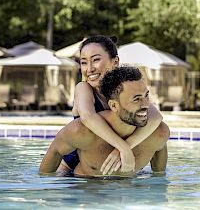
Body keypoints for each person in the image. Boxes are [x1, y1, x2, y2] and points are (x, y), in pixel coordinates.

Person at [40, 65, 169, 177]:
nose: (146, 105)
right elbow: (52, 158)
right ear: (113, 106)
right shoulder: (81, 132)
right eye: (136, 99)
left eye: (146, 96)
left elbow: (159, 178)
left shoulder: (159, 134)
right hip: (85, 191)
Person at [59, 35, 163, 175]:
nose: (89, 69)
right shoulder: (83, 88)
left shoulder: (124, 90)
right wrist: (124, 149)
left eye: (96, 60)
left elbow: (156, 117)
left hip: (112, 162)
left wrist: (125, 148)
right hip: (73, 169)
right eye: (83, 62)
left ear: (115, 61)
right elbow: (88, 117)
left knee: (158, 133)